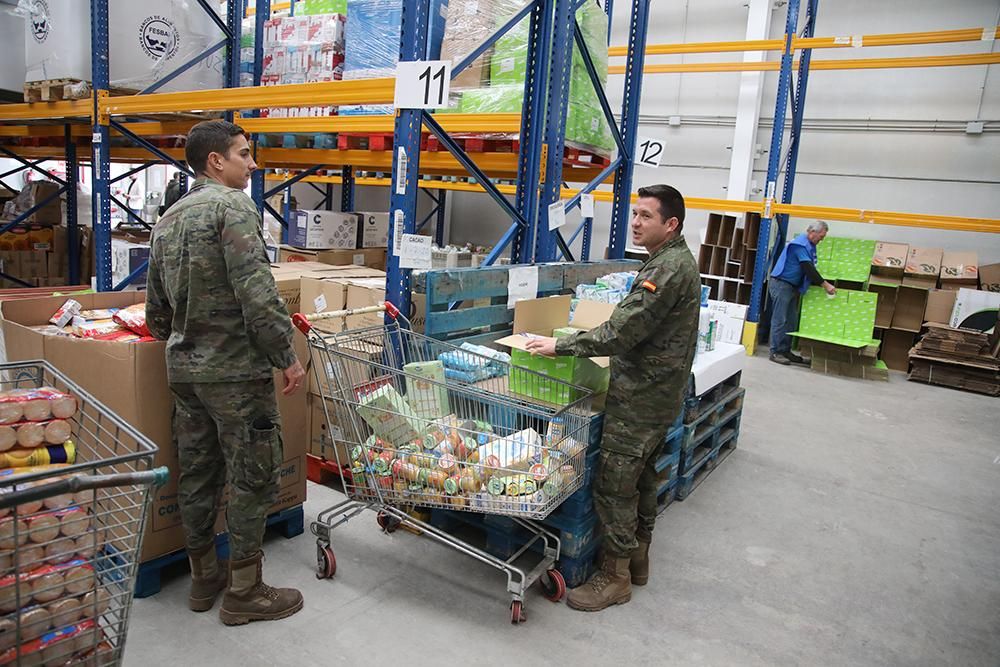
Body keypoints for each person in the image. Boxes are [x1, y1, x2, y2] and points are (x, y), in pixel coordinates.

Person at [145, 120, 307, 626]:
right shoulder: (232, 207)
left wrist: (189, 339)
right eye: (244, 154)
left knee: (197, 473)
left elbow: (156, 314)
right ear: (216, 161)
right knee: (252, 475)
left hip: (185, 372)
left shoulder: (167, 219)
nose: (252, 164)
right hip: (236, 373)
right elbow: (257, 292)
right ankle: (244, 591)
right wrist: (286, 355)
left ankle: (202, 578)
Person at [525, 184, 700, 612]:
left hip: (642, 398)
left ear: (670, 224)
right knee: (640, 478)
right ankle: (638, 558)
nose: (636, 222)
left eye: (645, 216)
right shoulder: (671, 261)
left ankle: (615, 576)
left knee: (614, 485)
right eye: (635, 213)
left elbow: (622, 331)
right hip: (658, 394)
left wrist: (560, 346)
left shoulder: (667, 270)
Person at [768, 221, 836, 366]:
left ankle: (785, 350)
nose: (821, 240)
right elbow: (808, 268)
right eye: (821, 236)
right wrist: (825, 285)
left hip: (792, 287)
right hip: (782, 284)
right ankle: (775, 352)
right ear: (812, 232)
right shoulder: (800, 245)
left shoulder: (810, 246)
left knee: (791, 321)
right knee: (780, 319)